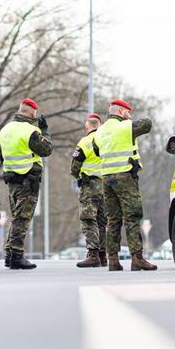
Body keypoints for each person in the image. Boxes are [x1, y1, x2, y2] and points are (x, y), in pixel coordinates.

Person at [93, 99, 157, 271]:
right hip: (125, 177)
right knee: (132, 217)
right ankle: (137, 258)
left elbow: (97, 150)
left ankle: (113, 260)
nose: (130, 116)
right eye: (128, 112)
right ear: (121, 112)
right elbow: (147, 124)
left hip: (106, 178)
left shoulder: (100, 131)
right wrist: (128, 121)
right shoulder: (125, 127)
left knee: (113, 220)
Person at [0, 99, 53, 270]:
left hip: (12, 178)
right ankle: (17, 255)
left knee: (16, 216)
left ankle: (9, 255)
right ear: (32, 113)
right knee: (22, 218)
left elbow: (2, 156)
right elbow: (46, 149)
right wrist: (45, 131)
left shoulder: (5, 130)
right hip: (28, 179)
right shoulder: (30, 131)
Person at [70, 113, 107, 268]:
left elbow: (74, 166)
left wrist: (77, 175)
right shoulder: (108, 140)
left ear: (87, 125)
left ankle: (92, 254)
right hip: (107, 186)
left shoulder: (85, 142)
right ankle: (103, 255)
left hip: (90, 186)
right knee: (102, 221)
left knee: (88, 219)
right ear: (100, 124)